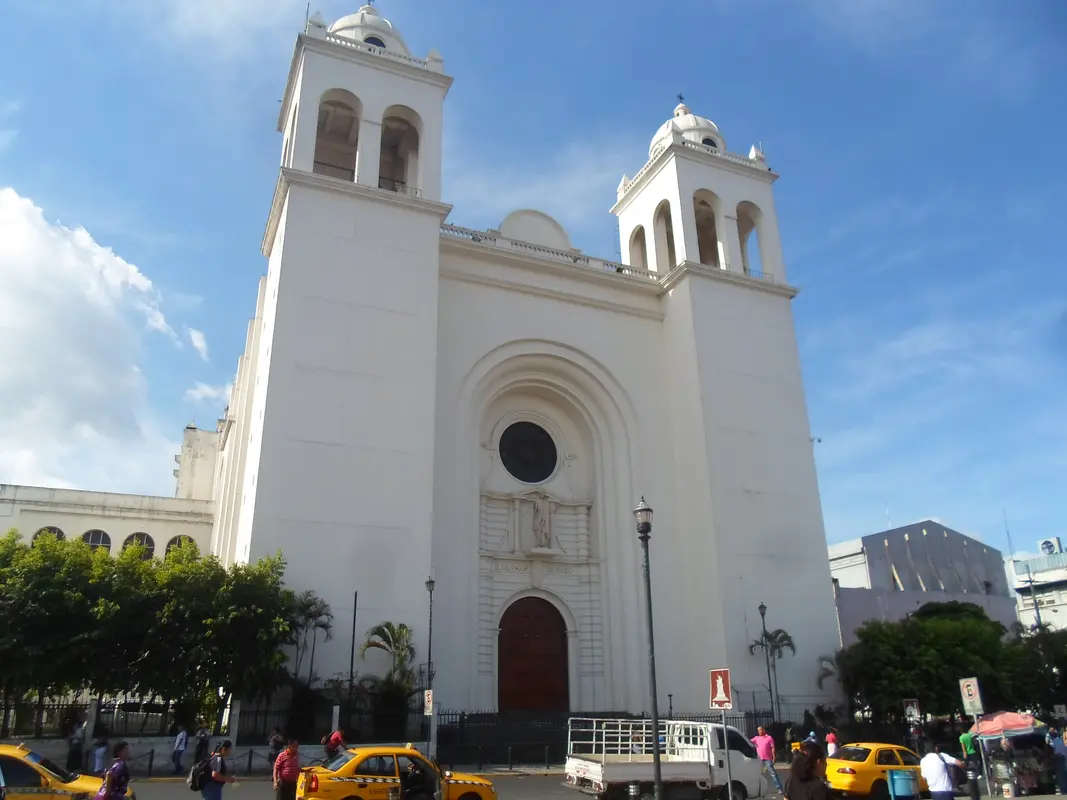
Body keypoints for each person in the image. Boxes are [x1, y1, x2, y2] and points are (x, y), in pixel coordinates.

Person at [752, 726, 785, 794]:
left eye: (760, 730)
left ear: (764, 730)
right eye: (758, 730)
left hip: (768, 759)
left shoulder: (769, 738)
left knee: (773, 774)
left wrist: (774, 757)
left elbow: (773, 748)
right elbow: (748, 741)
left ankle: (779, 789)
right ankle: (759, 790)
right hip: (760, 759)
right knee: (759, 774)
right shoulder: (756, 738)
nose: (759, 732)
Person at [1052, 731, 1067, 796]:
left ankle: (1063, 790)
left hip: (1059, 758)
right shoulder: (1060, 741)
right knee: (1064, 775)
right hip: (1064, 758)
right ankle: (1064, 790)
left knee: (1060, 776)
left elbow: (1056, 753)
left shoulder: (1054, 742)